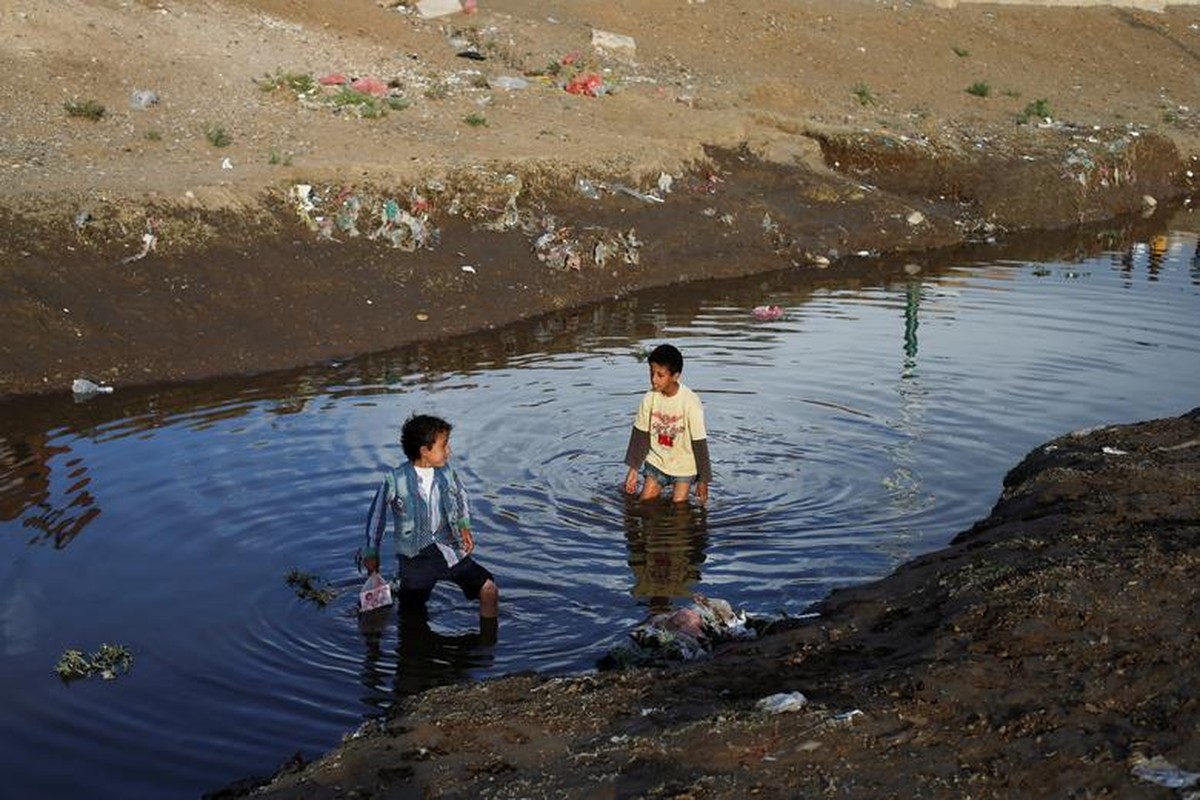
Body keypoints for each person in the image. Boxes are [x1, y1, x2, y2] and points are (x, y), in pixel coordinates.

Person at [360, 413, 499, 619]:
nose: (449, 452)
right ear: (425, 451)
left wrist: (464, 526)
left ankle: (487, 645)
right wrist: (372, 552)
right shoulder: (395, 480)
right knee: (411, 614)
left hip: (450, 551)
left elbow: (461, 498)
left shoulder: (447, 474)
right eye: (444, 446)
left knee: (488, 589)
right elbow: (376, 517)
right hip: (415, 560)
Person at [623, 343, 712, 504]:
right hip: (657, 462)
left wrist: (703, 480)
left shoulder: (690, 402)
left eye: (660, 375)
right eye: (651, 373)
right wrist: (633, 469)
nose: (653, 379)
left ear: (675, 376)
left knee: (680, 508)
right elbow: (640, 434)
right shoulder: (650, 398)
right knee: (644, 502)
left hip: (684, 466)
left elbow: (699, 442)